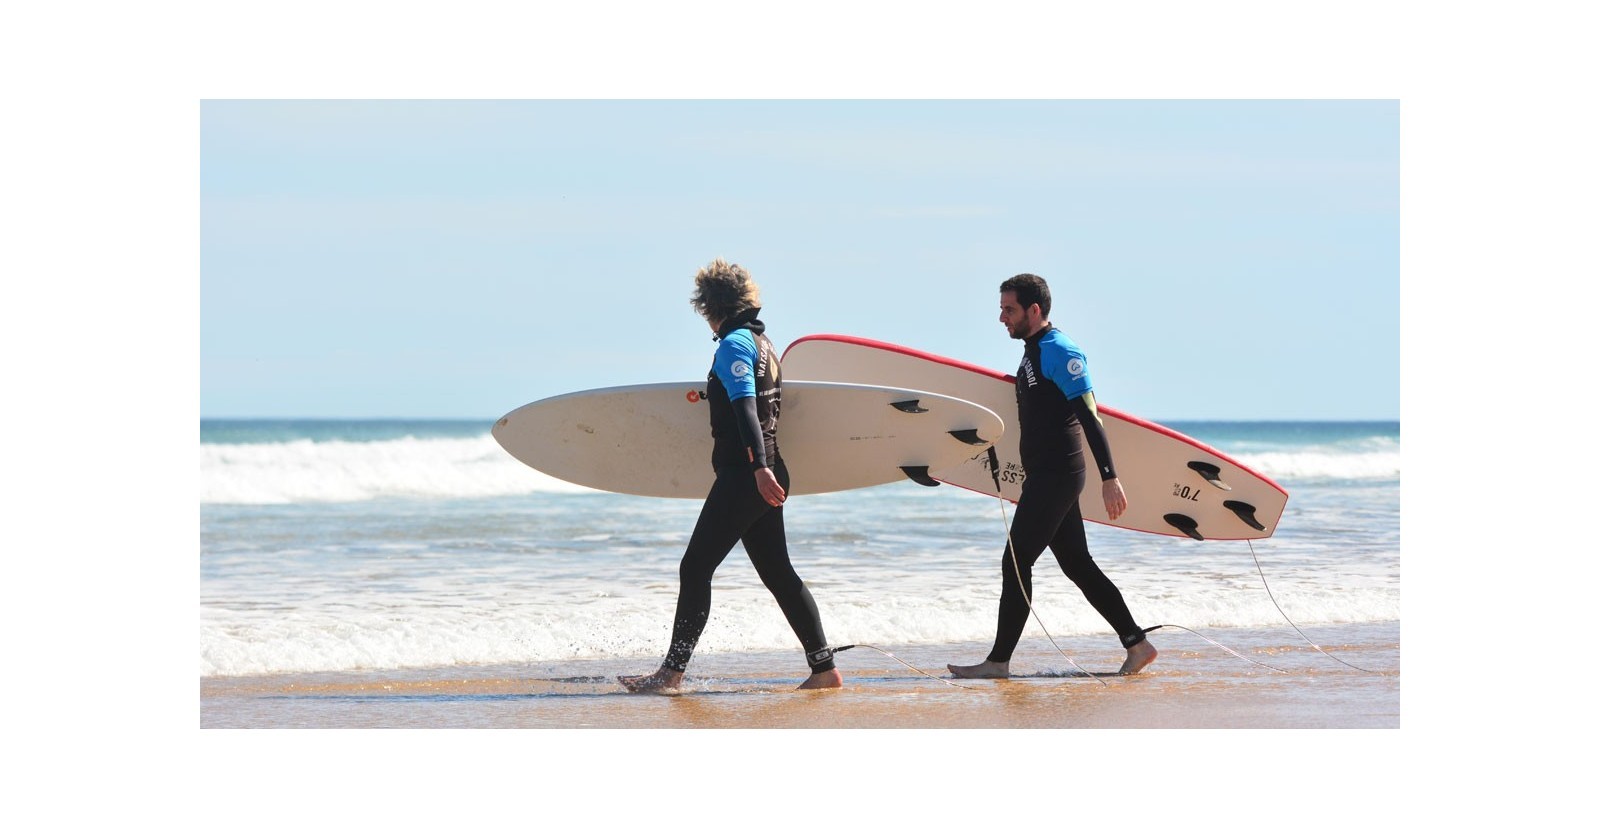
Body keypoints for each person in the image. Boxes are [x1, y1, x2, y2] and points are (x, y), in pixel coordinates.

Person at [619, 258, 845, 693]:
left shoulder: (735, 345)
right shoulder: (764, 344)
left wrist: (758, 468)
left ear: (710, 304)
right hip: (765, 472)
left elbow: (746, 409)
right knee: (779, 573)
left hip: (749, 476)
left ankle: (671, 673)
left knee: (695, 566)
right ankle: (824, 669)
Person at [949, 273, 1158, 678]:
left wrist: (1110, 477)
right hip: (1044, 476)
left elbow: (1090, 416)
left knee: (1015, 561)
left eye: (1008, 309)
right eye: (1001, 309)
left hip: (1057, 476)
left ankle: (997, 663)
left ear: (1034, 309)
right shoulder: (1033, 350)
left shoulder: (1061, 351)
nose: (1001, 318)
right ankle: (1138, 644)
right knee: (1077, 564)